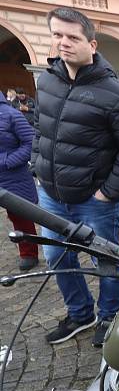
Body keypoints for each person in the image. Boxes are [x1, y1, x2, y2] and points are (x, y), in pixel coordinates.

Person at [33, 7, 119, 346]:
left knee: (107, 261)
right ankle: (80, 314)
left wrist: (108, 193)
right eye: (57, 35)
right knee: (56, 256)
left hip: (95, 200)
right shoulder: (47, 80)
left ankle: (109, 317)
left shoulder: (117, 93)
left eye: (73, 37)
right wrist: (37, 169)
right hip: (51, 195)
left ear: (92, 44)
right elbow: (41, 129)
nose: (64, 43)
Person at [0, 91, 39, 270]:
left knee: (20, 216)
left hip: (13, 177)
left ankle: (28, 253)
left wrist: (8, 161)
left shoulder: (11, 115)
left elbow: (29, 142)